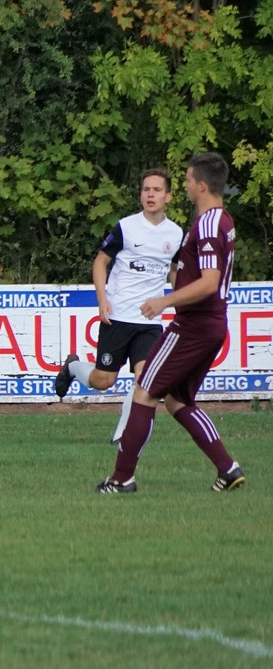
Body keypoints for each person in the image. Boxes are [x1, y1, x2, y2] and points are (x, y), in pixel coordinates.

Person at [95, 152, 244, 494]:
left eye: (189, 180)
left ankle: (121, 479)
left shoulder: (208, 225)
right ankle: (228, 468)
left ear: (201, 185)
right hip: (213, 325)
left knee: (145, 391)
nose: (187, 186)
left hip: (193, 325)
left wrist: (164, 301)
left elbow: (209, 282)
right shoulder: (224, 220)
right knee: (177, 401)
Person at [55, 169, 184, 443]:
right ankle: (73, 367)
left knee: (145, 379)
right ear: (141, 194)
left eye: (157, 190)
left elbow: (174, 271)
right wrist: (102, 299)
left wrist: (179, 301)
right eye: (146, 189)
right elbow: (100, 262)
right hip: (118, 316)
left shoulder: (175, 234)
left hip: (149, 321)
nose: (150, 194)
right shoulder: (126, 227)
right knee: (104, 381)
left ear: (168, 196)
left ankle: (122, 437)